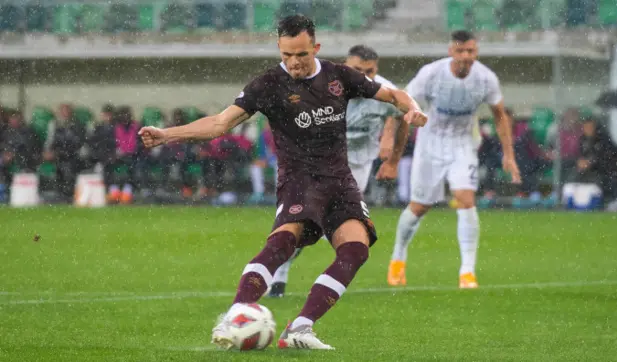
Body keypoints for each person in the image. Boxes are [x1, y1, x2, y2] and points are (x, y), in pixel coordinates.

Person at [138, 15, 427, 350]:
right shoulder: (268, 85)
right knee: (284, 243)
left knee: (356, 249)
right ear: (279, 49)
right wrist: (166, 135)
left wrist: (414, 110)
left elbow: (395, 96)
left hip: (339, 179)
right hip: (299, 180)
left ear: (315, 48)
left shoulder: (340, 76)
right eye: (286, 54)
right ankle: (236, 314)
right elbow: (220, 123)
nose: (293, 62)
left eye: (301, 55)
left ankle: (300, 329)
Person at [267, 44, 410, 298]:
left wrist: (393, 159)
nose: (365, 76)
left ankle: (290, 272)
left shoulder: (383, 90)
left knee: (317, 224)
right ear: (346, 66)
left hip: (358, 165)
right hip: (320, 161)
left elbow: (403, 114)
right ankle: (280, 276)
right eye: (358, 70)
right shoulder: (325, 84)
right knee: (308, 220)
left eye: (370, 71)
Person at [387, 30, 521, 289]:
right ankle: (398, 258)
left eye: (470, 51)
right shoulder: (432, 73)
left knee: (466, 200)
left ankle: (467, 272)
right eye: (460, 51)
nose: (466, 56)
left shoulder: (486, 78)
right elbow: (404, 99)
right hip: (430, 144)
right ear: (451, 51)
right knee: (419, 207)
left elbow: (500, 115)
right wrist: (410, 118)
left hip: (463, 144)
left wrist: (509, 154)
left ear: (476, 52)